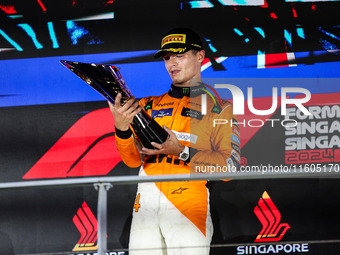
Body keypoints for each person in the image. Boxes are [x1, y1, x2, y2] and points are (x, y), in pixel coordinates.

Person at [109, 27, 240, 255]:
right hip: (145, 205)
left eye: (180, 55)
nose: (172, 64)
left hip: (189, 204)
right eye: (167, 58)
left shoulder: (219, 108)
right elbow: (131, 161)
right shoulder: (147, 105)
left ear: (200, 56)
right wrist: (121, 129)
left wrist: (181, 151)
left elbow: (230, 168)